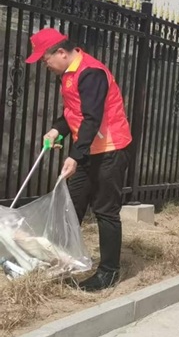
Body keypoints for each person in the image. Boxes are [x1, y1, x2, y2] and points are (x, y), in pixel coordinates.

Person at [26, 28, 132, 291]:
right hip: (88, 149)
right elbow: (73, 112)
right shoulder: (68, 74)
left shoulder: (91, 73)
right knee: (71, 206)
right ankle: (65, 261)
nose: (45, 66)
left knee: (105, 211)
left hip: (110, 149)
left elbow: (92, 118)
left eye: (45, 60)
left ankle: (108, 272)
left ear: (61, 52)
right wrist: (57, 130)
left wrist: (75, 156)